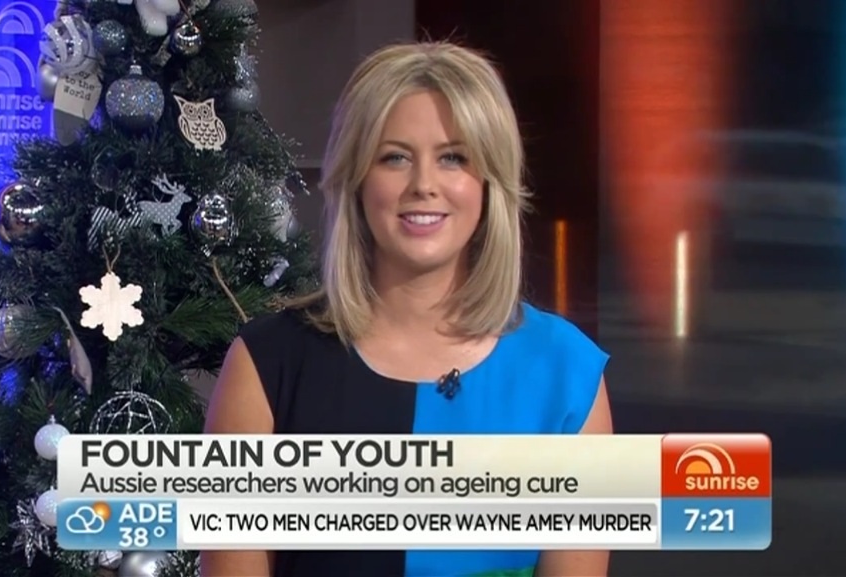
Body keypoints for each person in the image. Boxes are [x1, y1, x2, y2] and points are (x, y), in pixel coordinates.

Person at [202, 41, 612, 577]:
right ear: (356, 180)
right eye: (394, 157)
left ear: (489, 184)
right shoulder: (267, 366)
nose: (423, 185)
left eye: (453, 158)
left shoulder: (565, 373)